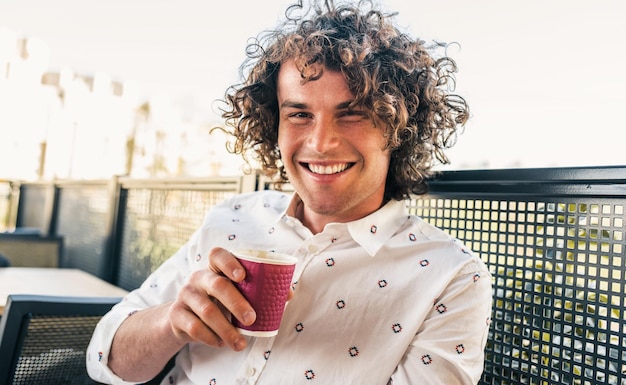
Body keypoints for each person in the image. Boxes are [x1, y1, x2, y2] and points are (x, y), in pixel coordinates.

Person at [87, 1, 492, 384]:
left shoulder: (450, 277)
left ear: (398, 129)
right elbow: (106, 360)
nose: (320, 142)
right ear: (272, 124)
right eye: (299, 114)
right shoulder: (233, 219)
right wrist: (171, 323)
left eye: (351, 113)